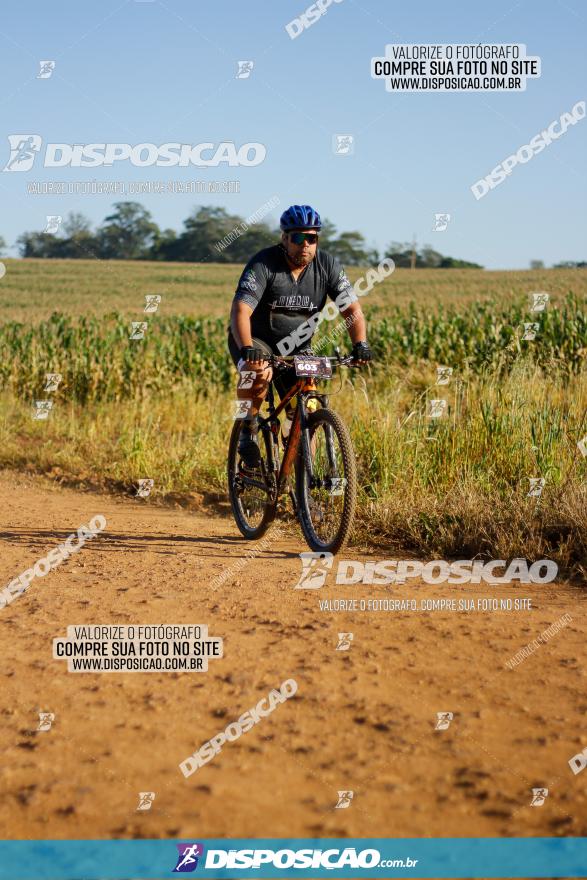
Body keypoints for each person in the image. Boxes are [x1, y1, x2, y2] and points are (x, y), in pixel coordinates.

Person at [228, 203, 372, 467]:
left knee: (307, 406)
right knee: (257, 372)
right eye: (297, 237)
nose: (305, 244)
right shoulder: (264, 263)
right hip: (256, 339)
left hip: (297, 345)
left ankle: (304, 486)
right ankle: (247, 429)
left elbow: (351, 309)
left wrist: (360, 344)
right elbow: (241, 309)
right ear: (285, 238)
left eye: (311, 238)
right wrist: (248, 348)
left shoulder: (327, 265)